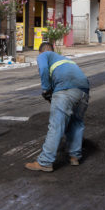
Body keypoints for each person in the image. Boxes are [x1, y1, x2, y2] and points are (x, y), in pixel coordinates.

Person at [25, 42, 90, 172]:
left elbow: (43, 69)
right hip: (83, 91)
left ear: (41, 52)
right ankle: (74, 156)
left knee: (56, 126)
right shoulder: (65, 60)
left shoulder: (44, 55)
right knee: (76, 123)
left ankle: (45, 162)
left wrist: (45, 89)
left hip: (65, 90)